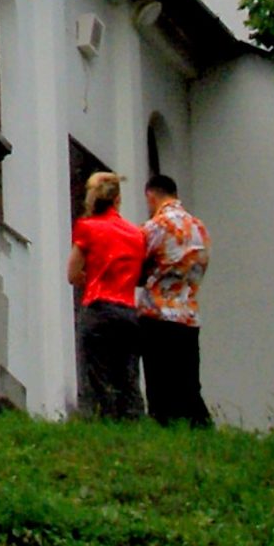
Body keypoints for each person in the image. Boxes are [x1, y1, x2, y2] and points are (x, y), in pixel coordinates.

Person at [68, 169, 145, 419]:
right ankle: (133, 424)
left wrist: (88, 277)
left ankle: (105, 425)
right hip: (128, 312)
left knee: (99, 379)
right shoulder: (136, 234)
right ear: (117, 200)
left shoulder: (87, 227)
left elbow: (72, 273)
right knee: (128, 378)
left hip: (98, 307)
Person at [137, 173, 211, 426]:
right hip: (188, 315)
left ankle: (164, 428)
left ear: (151, 195)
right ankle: (198, 428)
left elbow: (139, 266)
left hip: (157, 314)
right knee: (189, 384)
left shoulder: (156, 226)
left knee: (159, 385)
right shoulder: (199, 228)